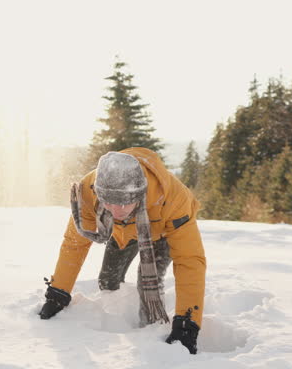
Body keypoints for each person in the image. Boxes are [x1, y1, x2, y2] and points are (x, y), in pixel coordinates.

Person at [38, 148, 206, 354]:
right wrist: (58, 292)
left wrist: (187, 321)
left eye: (125, 202)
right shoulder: (87, 192)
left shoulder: (173, 199)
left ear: (139, 193)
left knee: (147, 281)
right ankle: (115, 310)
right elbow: (74, 244)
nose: (117, 211)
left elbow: (189, 260)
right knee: (107, 280)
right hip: (119, 233)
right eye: (108, 202)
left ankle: (150, 330)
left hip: (158, 234)